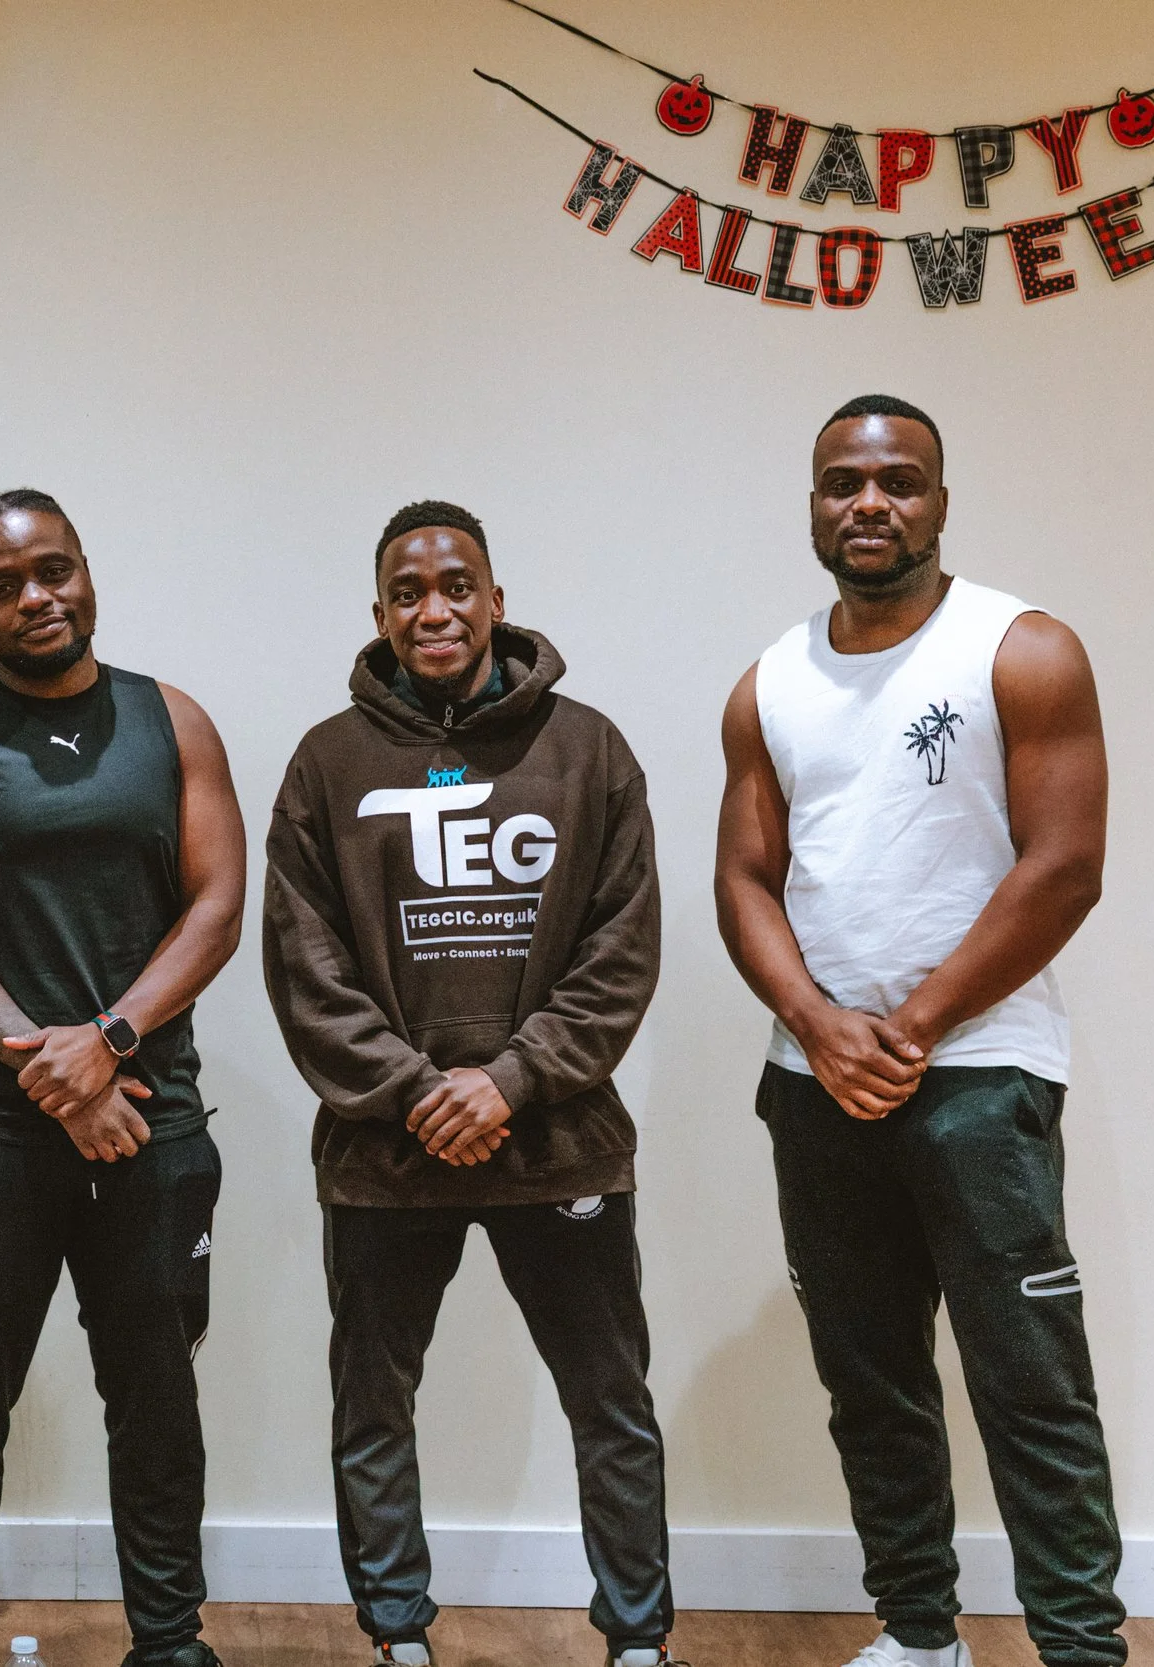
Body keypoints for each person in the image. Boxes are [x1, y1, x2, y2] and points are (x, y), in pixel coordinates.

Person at [714, 396, 1123, 1667]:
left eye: (898, 481)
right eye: (843, 482)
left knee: (1029, 1382)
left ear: (941, 500)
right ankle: (918, 1633)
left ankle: (1079, 1648)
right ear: (814, 503)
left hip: (982, 1077)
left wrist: (911, 1023)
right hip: (814, 1085)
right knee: (871, 1381)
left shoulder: (1023, 646)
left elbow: (1064, 866)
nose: (870, 504)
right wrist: (817, 1024)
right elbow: (744, 879)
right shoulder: (768, 682)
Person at [263, 501, 679, 1667]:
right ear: (381, 613)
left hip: (560, 1146)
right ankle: (396, 1638)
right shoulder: (326, 763)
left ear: (496, 598)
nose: (433, 609)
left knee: (610, 1406)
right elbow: (305, 968)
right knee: (373, 1408)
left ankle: (639, 1641)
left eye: (456, 585)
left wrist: (509, 1079)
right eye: (407, 591)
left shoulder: (588, 749)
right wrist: (415, 1091)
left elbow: (621, 950)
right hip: (382, 1155)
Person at [0, 489, 246, 1667]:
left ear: (85, 570)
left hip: (151, 1118)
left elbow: (219, 904)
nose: (34, 596)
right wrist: (55, 1067)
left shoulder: (169, 719)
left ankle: (169, 1638)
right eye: (1, 583)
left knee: (154, 1397)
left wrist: (113, 1042)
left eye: (52, 570)